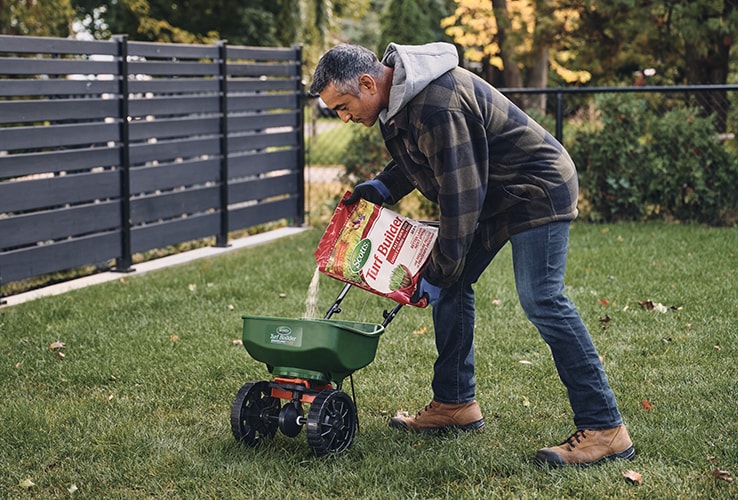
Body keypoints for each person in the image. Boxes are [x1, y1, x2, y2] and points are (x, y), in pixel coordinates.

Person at [309, 42, 635, 467]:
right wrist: (384, 187)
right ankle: (455, 403)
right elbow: (421, 160)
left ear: (368, 83)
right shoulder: (394, 102)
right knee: (454, 279)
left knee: (542, 298)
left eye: (343, 105)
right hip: (495, 191)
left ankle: (605, 428)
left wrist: (439, 269)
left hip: (536, 188)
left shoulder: (437, 103)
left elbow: (461, 198)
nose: (343, 116)